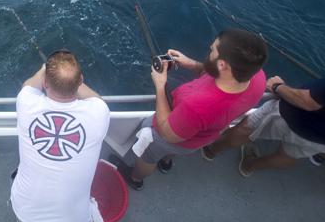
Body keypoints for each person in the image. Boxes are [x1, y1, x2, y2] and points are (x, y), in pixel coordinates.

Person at [112, 29, 267, 190]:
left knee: (149, 156)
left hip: (171, 134)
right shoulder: (257, 78)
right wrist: (191, 64)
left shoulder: (199, 106)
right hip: (198, 138)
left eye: (213, 50)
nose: (209, 49)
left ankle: (135, 178)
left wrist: (160, 85)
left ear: (222, 65)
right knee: (178, 148)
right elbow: (213, 74)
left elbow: (167, 133)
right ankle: (166, 162)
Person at [203, 63, 325, 178]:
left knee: (246, 128)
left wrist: (277, 87)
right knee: (288, 156)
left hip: (295, 116)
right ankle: (248, 167)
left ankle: (211, 151)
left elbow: (308, 102)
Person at [10, 50, 110, 222]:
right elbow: (96, 99)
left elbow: (29, 85)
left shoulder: (26, 102)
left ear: (45, 82)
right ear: (81, 81)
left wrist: (44, 70)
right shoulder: (98, 113)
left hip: (24, 213)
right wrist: (72, 80)